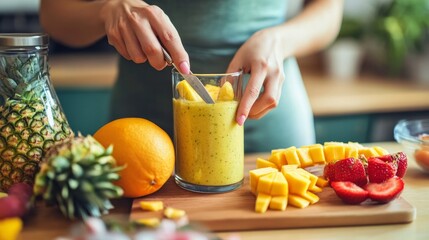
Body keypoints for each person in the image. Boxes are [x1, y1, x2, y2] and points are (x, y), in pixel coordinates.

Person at [39, 0, 343, 153]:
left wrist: (280, 40)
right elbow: (54, 13)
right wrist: (107, 11)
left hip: (265, 120)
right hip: (144, 136)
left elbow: (330, 11)